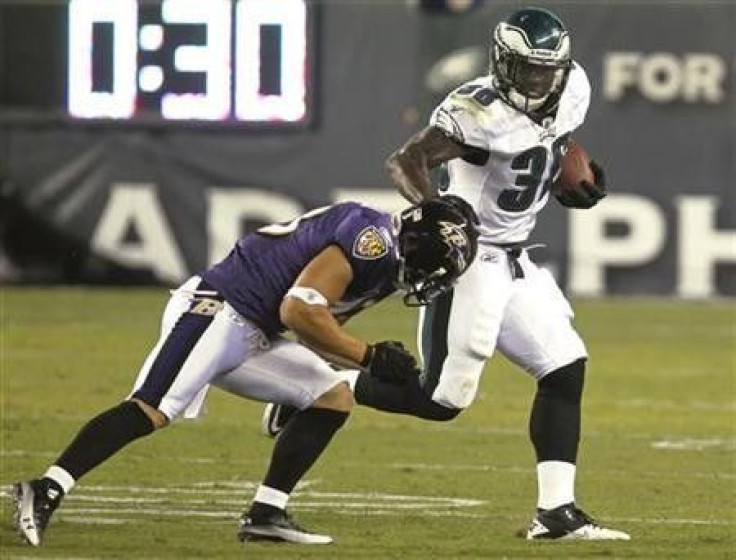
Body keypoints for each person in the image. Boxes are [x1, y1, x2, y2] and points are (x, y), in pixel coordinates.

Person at [264, 7, 629, 541]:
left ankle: (556, 514)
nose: (536, 80)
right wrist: (436, 212)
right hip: (471, 254)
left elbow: (557, 141)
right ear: (503, 64)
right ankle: (314, 384)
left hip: (515, 254)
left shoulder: (573, 86)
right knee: (442, 401)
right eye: (525, 69)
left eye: (544, 70)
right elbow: (405, 160)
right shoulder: (476, 111)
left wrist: (570, 173)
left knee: (564, 366)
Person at [11, 198, 478, 547]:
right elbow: (298, 311)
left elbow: (322, 327)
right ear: (415, 241)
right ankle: (44, 488)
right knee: (153, 408)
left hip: (256, 330)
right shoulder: (372, 242)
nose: (428, 280)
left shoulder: (386, 266)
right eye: (432, 267)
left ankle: (266, 514)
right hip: (219, 308)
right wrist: (369, 356)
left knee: (331, 395)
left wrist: (322, 374)